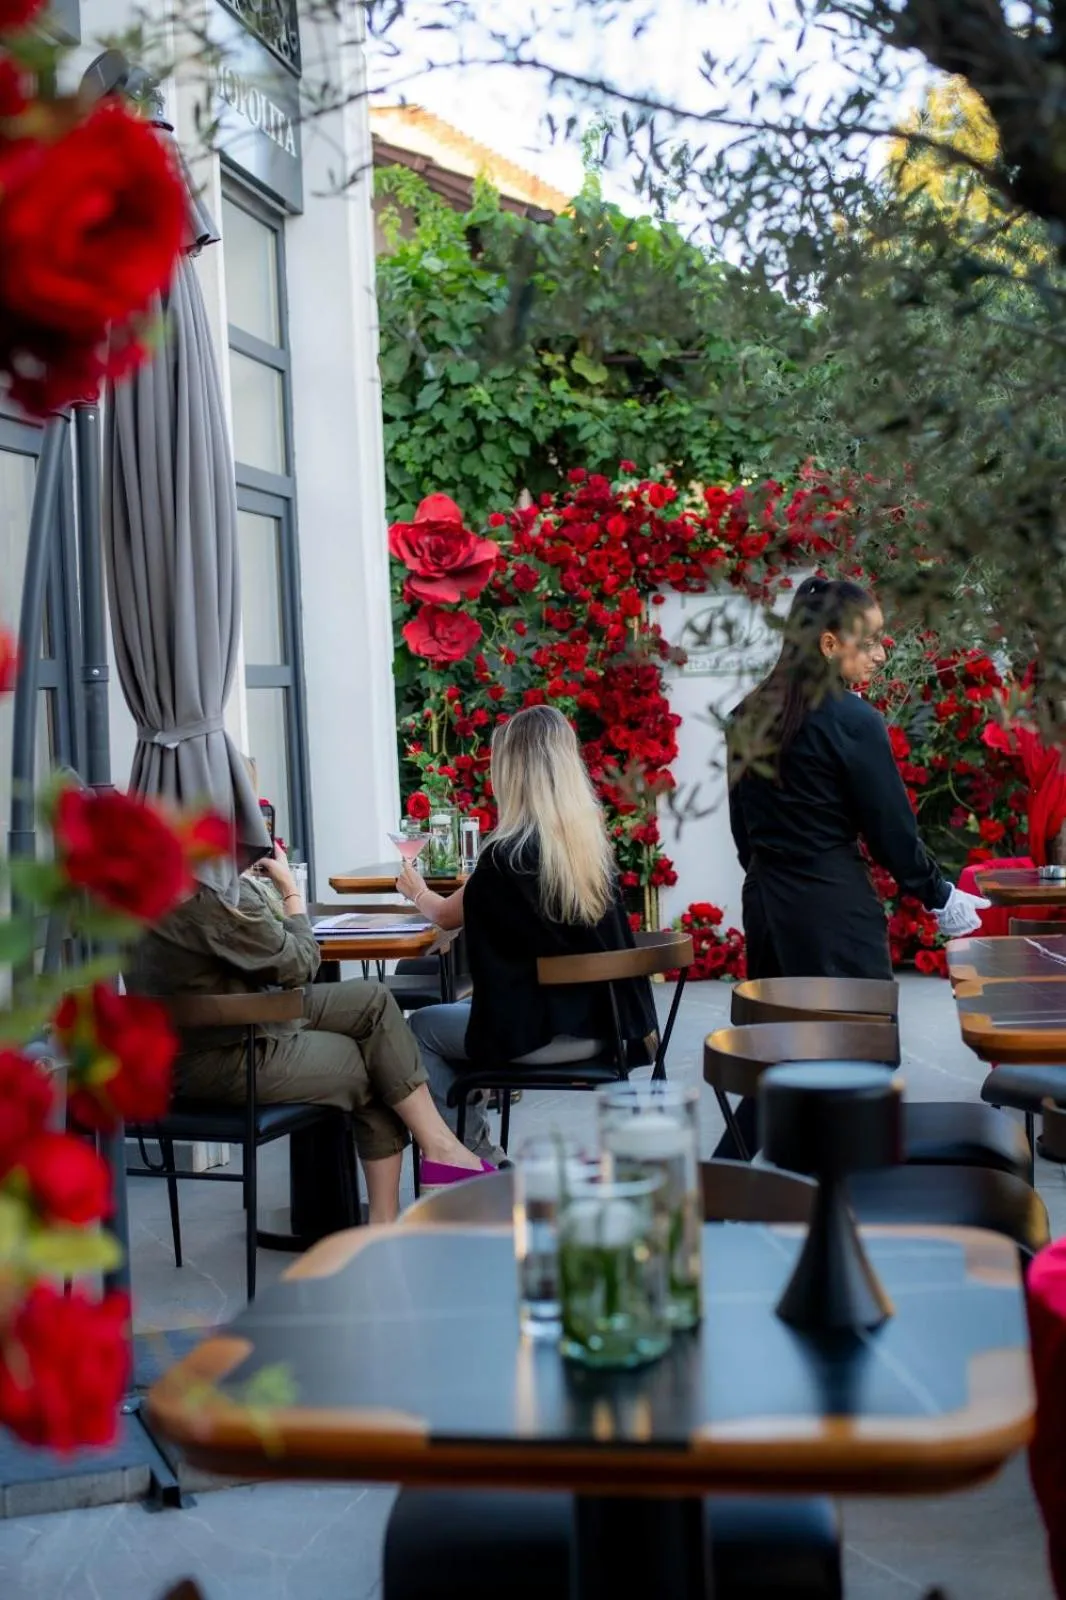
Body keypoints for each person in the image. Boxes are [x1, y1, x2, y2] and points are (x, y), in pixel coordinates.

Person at [720, 574, 989, 1153]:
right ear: (828, 644)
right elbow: (891, 830)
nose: (879, 654)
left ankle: (737, 1185)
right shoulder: (852, 720)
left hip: (769, 903)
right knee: (860, 1056)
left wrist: (774, 878)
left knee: (777, 1057)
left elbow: (744, 828)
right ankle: (848, 1193)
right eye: (867, 643)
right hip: (833, 907)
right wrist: (938, 893)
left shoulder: (748, 714)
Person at [128, 842, 493, 1223]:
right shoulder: (213, 900)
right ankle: (393, 1213)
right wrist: (289, 890)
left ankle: (438, 1152)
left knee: (374, 1000)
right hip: (231, 1052)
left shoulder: (152, 889)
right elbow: (299, 963)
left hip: (226, 1030)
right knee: (377, 1064)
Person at [397, 705, 658, 1160]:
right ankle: (474, 1141)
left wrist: (415, 890)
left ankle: (474, 1159)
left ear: (512, 774)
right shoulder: (588, 848)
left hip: (540, 1035)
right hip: (610, 1028)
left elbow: (444, 916)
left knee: (416, 1029)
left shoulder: (504, 859)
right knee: (460, 1018)